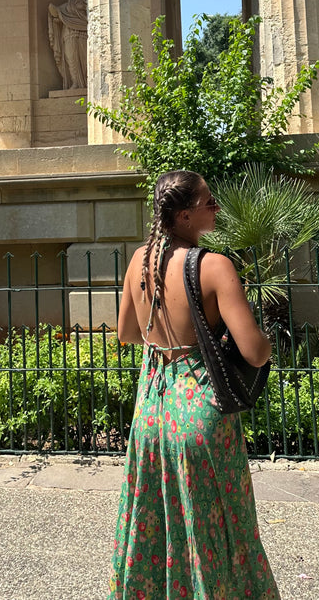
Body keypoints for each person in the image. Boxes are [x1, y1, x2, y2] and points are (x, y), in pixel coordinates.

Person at [108, 170, 280, 600]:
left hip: (152, 408)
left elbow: (126, 332)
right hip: (200, 408)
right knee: (218, 526)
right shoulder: (214, 266)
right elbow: (254, 352)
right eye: (209, 202)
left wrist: (167, 340)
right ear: (184, 216)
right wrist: (267, 341)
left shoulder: (139, 260)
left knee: (155, 523)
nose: (216, 207)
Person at [47, 0, 87, 90]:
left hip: (83, 32)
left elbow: (88, 17)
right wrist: (56, 15)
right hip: (69, 34)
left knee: (84, 59)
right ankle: (75, 82)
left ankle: (86, 82)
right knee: (71, 58)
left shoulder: (86, 5)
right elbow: (57, 14)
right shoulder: (66, 6)